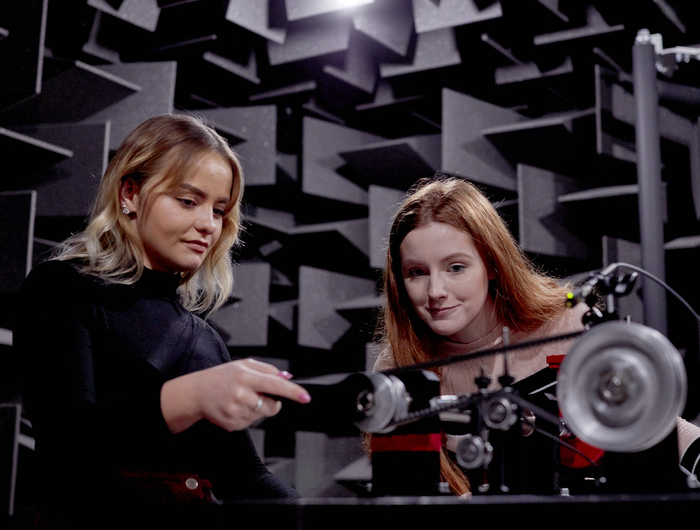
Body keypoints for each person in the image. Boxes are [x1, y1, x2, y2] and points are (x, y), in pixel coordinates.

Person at [13, 114, 311, 525]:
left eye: (219, 209)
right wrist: (192, 396)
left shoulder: (204, 339)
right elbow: (70, 444)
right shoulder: (61, 289)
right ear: (131, 193)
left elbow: (245, 477)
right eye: (188, 201)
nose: (208, 224)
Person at [371, 175, 700, 496]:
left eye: (456, 267)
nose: (436, 291)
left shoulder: (570, 328)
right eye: (417, 273)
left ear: (492, 264)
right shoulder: (397, 372)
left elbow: (661, 430)